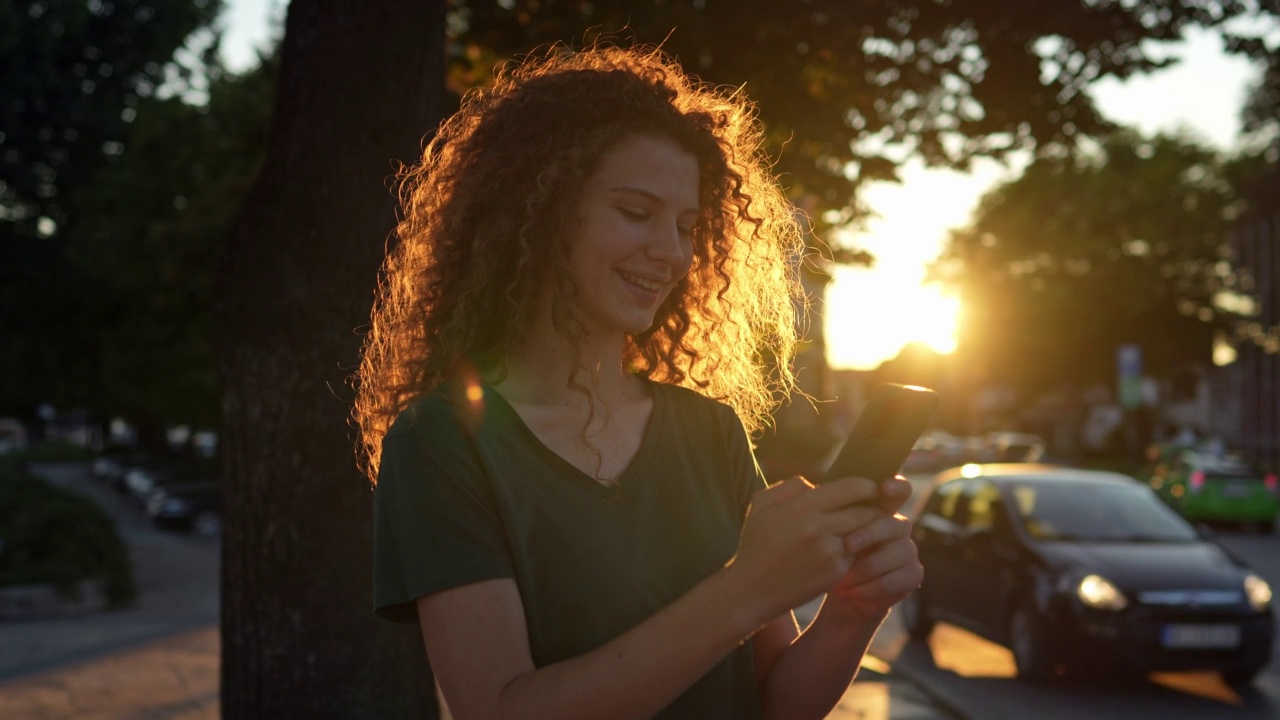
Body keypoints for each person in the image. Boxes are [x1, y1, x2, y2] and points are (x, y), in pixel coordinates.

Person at [354, 42, 923, 720]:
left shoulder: (709, 430)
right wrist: (747, 589)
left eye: (687, 226)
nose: (672, 253)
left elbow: (774, 703)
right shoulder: (440, 441)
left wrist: (849, 616)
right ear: (536, 211)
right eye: (635, 212)